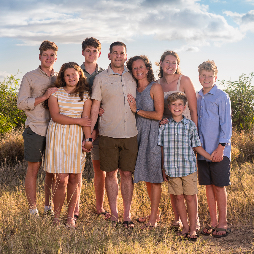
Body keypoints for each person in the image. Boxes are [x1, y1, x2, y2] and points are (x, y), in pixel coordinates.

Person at [90, 41, 138, 228]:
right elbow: (95, 106)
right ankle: (114, 214)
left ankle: (127, 214)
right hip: (108, 133)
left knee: (126, 174)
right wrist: (90, 133)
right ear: (108, 56)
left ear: (126, 56)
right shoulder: (101, 78)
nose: (118, 56)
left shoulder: (133, 76)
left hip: (130, 134)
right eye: (115, 53)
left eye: (122, 53)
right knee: (110, 173)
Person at [158, 92, 213, 241]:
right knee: (179, 198)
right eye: (174, 105)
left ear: (185, 106)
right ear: (169, 107)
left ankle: (193, 228)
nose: (177, 107)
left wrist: (209, 156)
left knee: (190, 197)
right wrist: (163, 167)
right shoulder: (164, 126)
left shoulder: (190, 125)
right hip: (171, 168)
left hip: (188, 168)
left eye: (180, 104)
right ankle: (185, 227)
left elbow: (196, 146)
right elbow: (162, 148)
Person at [44, 62, 92, 227]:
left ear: (80, 74)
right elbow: (56, 116)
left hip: (76, 138)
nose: (71, 77)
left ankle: (70, 216)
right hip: (58, 136)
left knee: (74, 178)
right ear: (62, 78)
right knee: (61, 179)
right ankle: (56, 217)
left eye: (74, 74)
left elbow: (87, 120)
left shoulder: (85, 95)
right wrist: (77, 120)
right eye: (68, 75)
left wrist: (88, 139)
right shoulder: (55, 93)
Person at [157, 50, 199, 230]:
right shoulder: (157, 84)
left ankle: (194, 221)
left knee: (188, 186)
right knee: (174, 181)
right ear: (160, 63)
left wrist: (194, 134)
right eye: (167, 62)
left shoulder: (185, 81)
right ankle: (179, 218)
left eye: (173, 62)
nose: (170, 65)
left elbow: (194, 109)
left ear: (177, 64)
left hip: (185, 131)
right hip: (168, 132)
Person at [17, 40, 58, 216]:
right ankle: (33, 209)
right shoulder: (30, 77)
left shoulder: (60, 77)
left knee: (52, 171)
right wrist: (44, 97)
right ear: (40, 56)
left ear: (56, 57)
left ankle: (48, 207)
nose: (48, 58)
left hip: (56, 130)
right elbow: (21, 103)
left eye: (52, 55)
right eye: (45, 55)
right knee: (33, 169)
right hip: (35, 129)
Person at [126, 55, 164, 228]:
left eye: (141, 67)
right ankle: (153, 214)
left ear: (148, 69)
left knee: (155, 177)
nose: (138, 70)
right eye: (135, 68)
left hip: (153, 134)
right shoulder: (132, 88)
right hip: (137, 134)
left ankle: (153, 218)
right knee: (147, 176)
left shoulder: (155, 87)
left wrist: (137, 110)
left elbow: (158, 115)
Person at [74, 37, 108, 221]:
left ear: (99, 54)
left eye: (94, 51)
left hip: (100, 127)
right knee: (77, 168)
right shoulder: (75, 73)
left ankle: (99, 206)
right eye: (88, 50)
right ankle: (76, 207)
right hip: (78, 126)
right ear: (83, 52)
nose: (91, 54)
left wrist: (103, 111)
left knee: (99, 169)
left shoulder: (104, 75)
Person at [197, 60, 232, 238]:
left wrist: (221, 147)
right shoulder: (197, 97)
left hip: (218, 151)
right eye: (203, 75)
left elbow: (226, 124)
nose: (206, 79)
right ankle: (212, 222)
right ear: (199, 77)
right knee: (208, 187)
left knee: (219, 186)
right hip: (203, 152)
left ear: (215, 77)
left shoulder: (221, 96)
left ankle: (223, 223)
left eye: (210, 76)